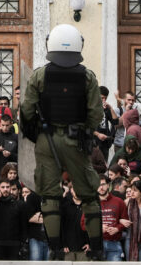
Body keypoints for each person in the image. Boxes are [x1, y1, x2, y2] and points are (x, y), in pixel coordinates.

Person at [20, 24, 106, 261]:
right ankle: (97, 249)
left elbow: (26, 108)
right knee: (89, 195)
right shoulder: (87, 76)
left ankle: (55, 249)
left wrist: (33, 129)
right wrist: (86, 131)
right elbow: (96, 113)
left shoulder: (39, 75)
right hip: (75, 139)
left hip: (47, 139)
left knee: (50, 195)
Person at [92, 175, 127, 261]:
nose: (101, 187)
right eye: (98, 185)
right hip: (97, 245)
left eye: (103, 184)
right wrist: (98, 228)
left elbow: (125, 222)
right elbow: (83, 224)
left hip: (114, 244)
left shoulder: (119, 202)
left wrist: (117, 229)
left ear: (108, 185)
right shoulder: (90, 203)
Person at [0, 179, 27, 260]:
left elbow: (23, 224)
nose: (5, 189)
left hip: (15, 243)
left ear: (10, 189)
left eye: (7, 187)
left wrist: (22, 242)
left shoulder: (19, 205)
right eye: (3, 187)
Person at [123, 177, 141, 262]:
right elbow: (118, 216)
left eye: (135, 190)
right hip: (130, 238)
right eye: (131, 190)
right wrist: (121, 220)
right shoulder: (127, 202)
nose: (131, 192)